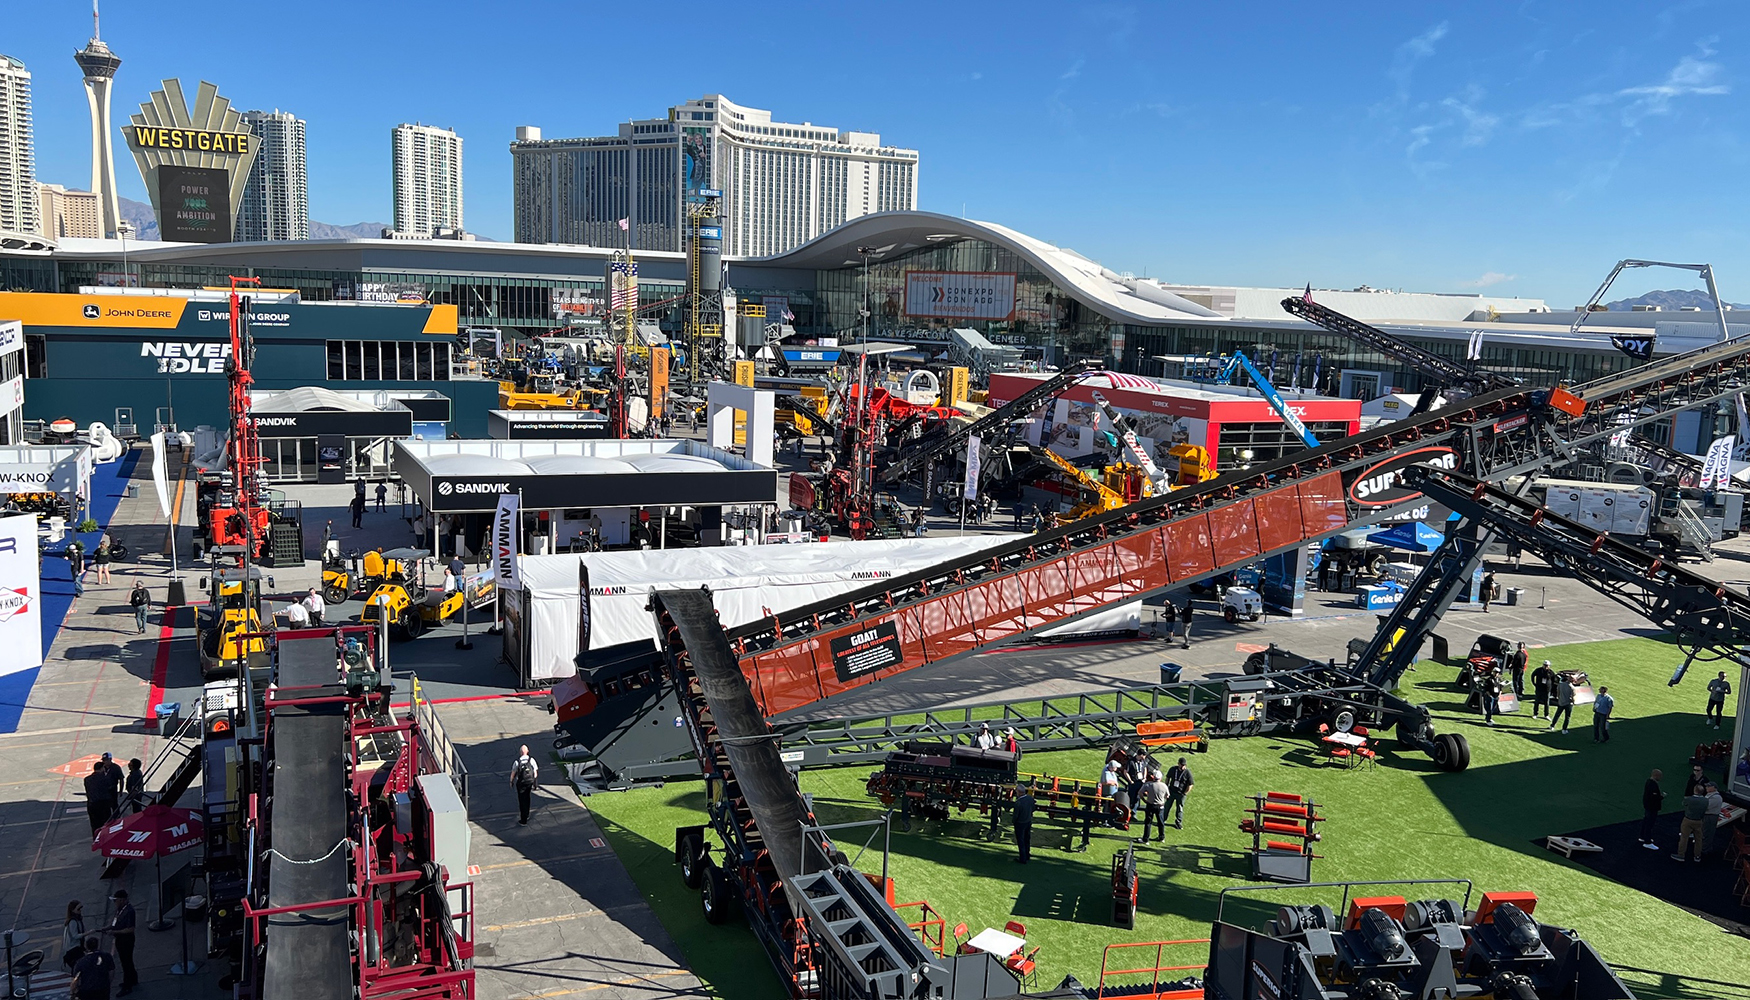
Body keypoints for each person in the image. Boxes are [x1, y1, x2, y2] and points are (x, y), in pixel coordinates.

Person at [108, 889, 136, 995]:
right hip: (120, 939)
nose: (115, 903)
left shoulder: (129, 911)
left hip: (126, 940)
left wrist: (114, 931)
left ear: (122, 900)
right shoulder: (119, 910)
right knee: (128, 960)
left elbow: (130, 929)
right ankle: (133, 979)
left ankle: (127, 986)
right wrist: (107, 928)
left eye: (116, 900)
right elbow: (114, 923)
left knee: (126, 962)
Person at [70, 935, 114, 1000]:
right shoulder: (106, 956)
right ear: (97, 945)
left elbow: (75, 980)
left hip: (87, 991)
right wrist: (107, 982)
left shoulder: (81, 962)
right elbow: (111, 971)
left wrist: (72, 993)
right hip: (102, 988)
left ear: (87, 947)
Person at [1674, 789, 1708, 862]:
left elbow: (1684, 804)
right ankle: (1697, 856)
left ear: (1695, 790)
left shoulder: (1689, 799)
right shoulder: (1706, 800)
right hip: (1699, 821)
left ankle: (1681, 855)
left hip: (1688, 820)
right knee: (1698, 839)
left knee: (1684, 837)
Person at [511, 745, 539, 825]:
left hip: (520, 783)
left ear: (520, 752)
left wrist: (511, 782)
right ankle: (527, 814)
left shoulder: (517, 762)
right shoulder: (532, 760)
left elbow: (513, 773)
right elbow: (535, 772)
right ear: (528, 751)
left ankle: (523, 820)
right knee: (527, 797)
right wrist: (535, 782)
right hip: (529, 782)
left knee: (521, 800)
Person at [1139, 770, 1170, 843]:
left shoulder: (1148, 785)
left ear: (1153, 777)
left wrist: (1144, 800)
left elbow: (1140, 793)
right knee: (1161, 822)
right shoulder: (1164, 786)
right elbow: (1167, 796)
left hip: (1150, 805)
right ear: (1161, 778)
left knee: (1148, 822)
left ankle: (1145, 839)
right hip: (1160, 806)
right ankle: (1161, 837)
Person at [1164, 756, 1194, 829]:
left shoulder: (1187, 773)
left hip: (1181, 794)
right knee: (1167, 806)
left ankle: (1178, 822)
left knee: (1179, 808)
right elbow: (1168, 778)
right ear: (1178, 764)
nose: (1183, 766)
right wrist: (1166, 788)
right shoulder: (1173, 769)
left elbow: (1191, 784)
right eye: (1181, 765)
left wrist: (1185, 793)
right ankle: (1162, 819)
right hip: (1171, 791)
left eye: (1184, 765)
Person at [1638, 769, 1664, 849]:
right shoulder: (1652, 785)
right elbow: (1654, 797)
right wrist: (1661, 797)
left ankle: (1642, 837)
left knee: (1646, 821)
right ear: (1656, 775)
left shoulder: (1648, 782)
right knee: (1649, 824)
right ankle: (1647, 842)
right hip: (1652, 807)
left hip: (1648, 806)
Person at [1012, 784, 1036, 863]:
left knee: (1021, 841)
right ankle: (1027, 855)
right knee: (1026, 839)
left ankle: (1023, 858)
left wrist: (1014, 822)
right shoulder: (1030, 799)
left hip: (1020, 824)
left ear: (1018, 792)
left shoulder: (1018, 803)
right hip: (1028, 821)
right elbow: (1033, 808)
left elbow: (1016, 815)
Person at [61, 900, 87, 972]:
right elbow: (75, 936)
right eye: (78, 909)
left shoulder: (77, 919)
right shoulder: (73, 922)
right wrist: (88, 933)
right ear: (73, 910)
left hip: (76, 948)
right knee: (80, 967)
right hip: (73, 949)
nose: (80, 910)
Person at [1703, 781, 1724, 854]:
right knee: (1705, 831)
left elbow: (1706, 807)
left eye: (1709, 786)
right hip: (1707, 816)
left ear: (1714, 788)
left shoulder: (1716, 797)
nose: (1706, 788)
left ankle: (1705, 848)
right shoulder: (1710, 795)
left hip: (1710, 816)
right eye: (1706, 786)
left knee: (1708, 832)